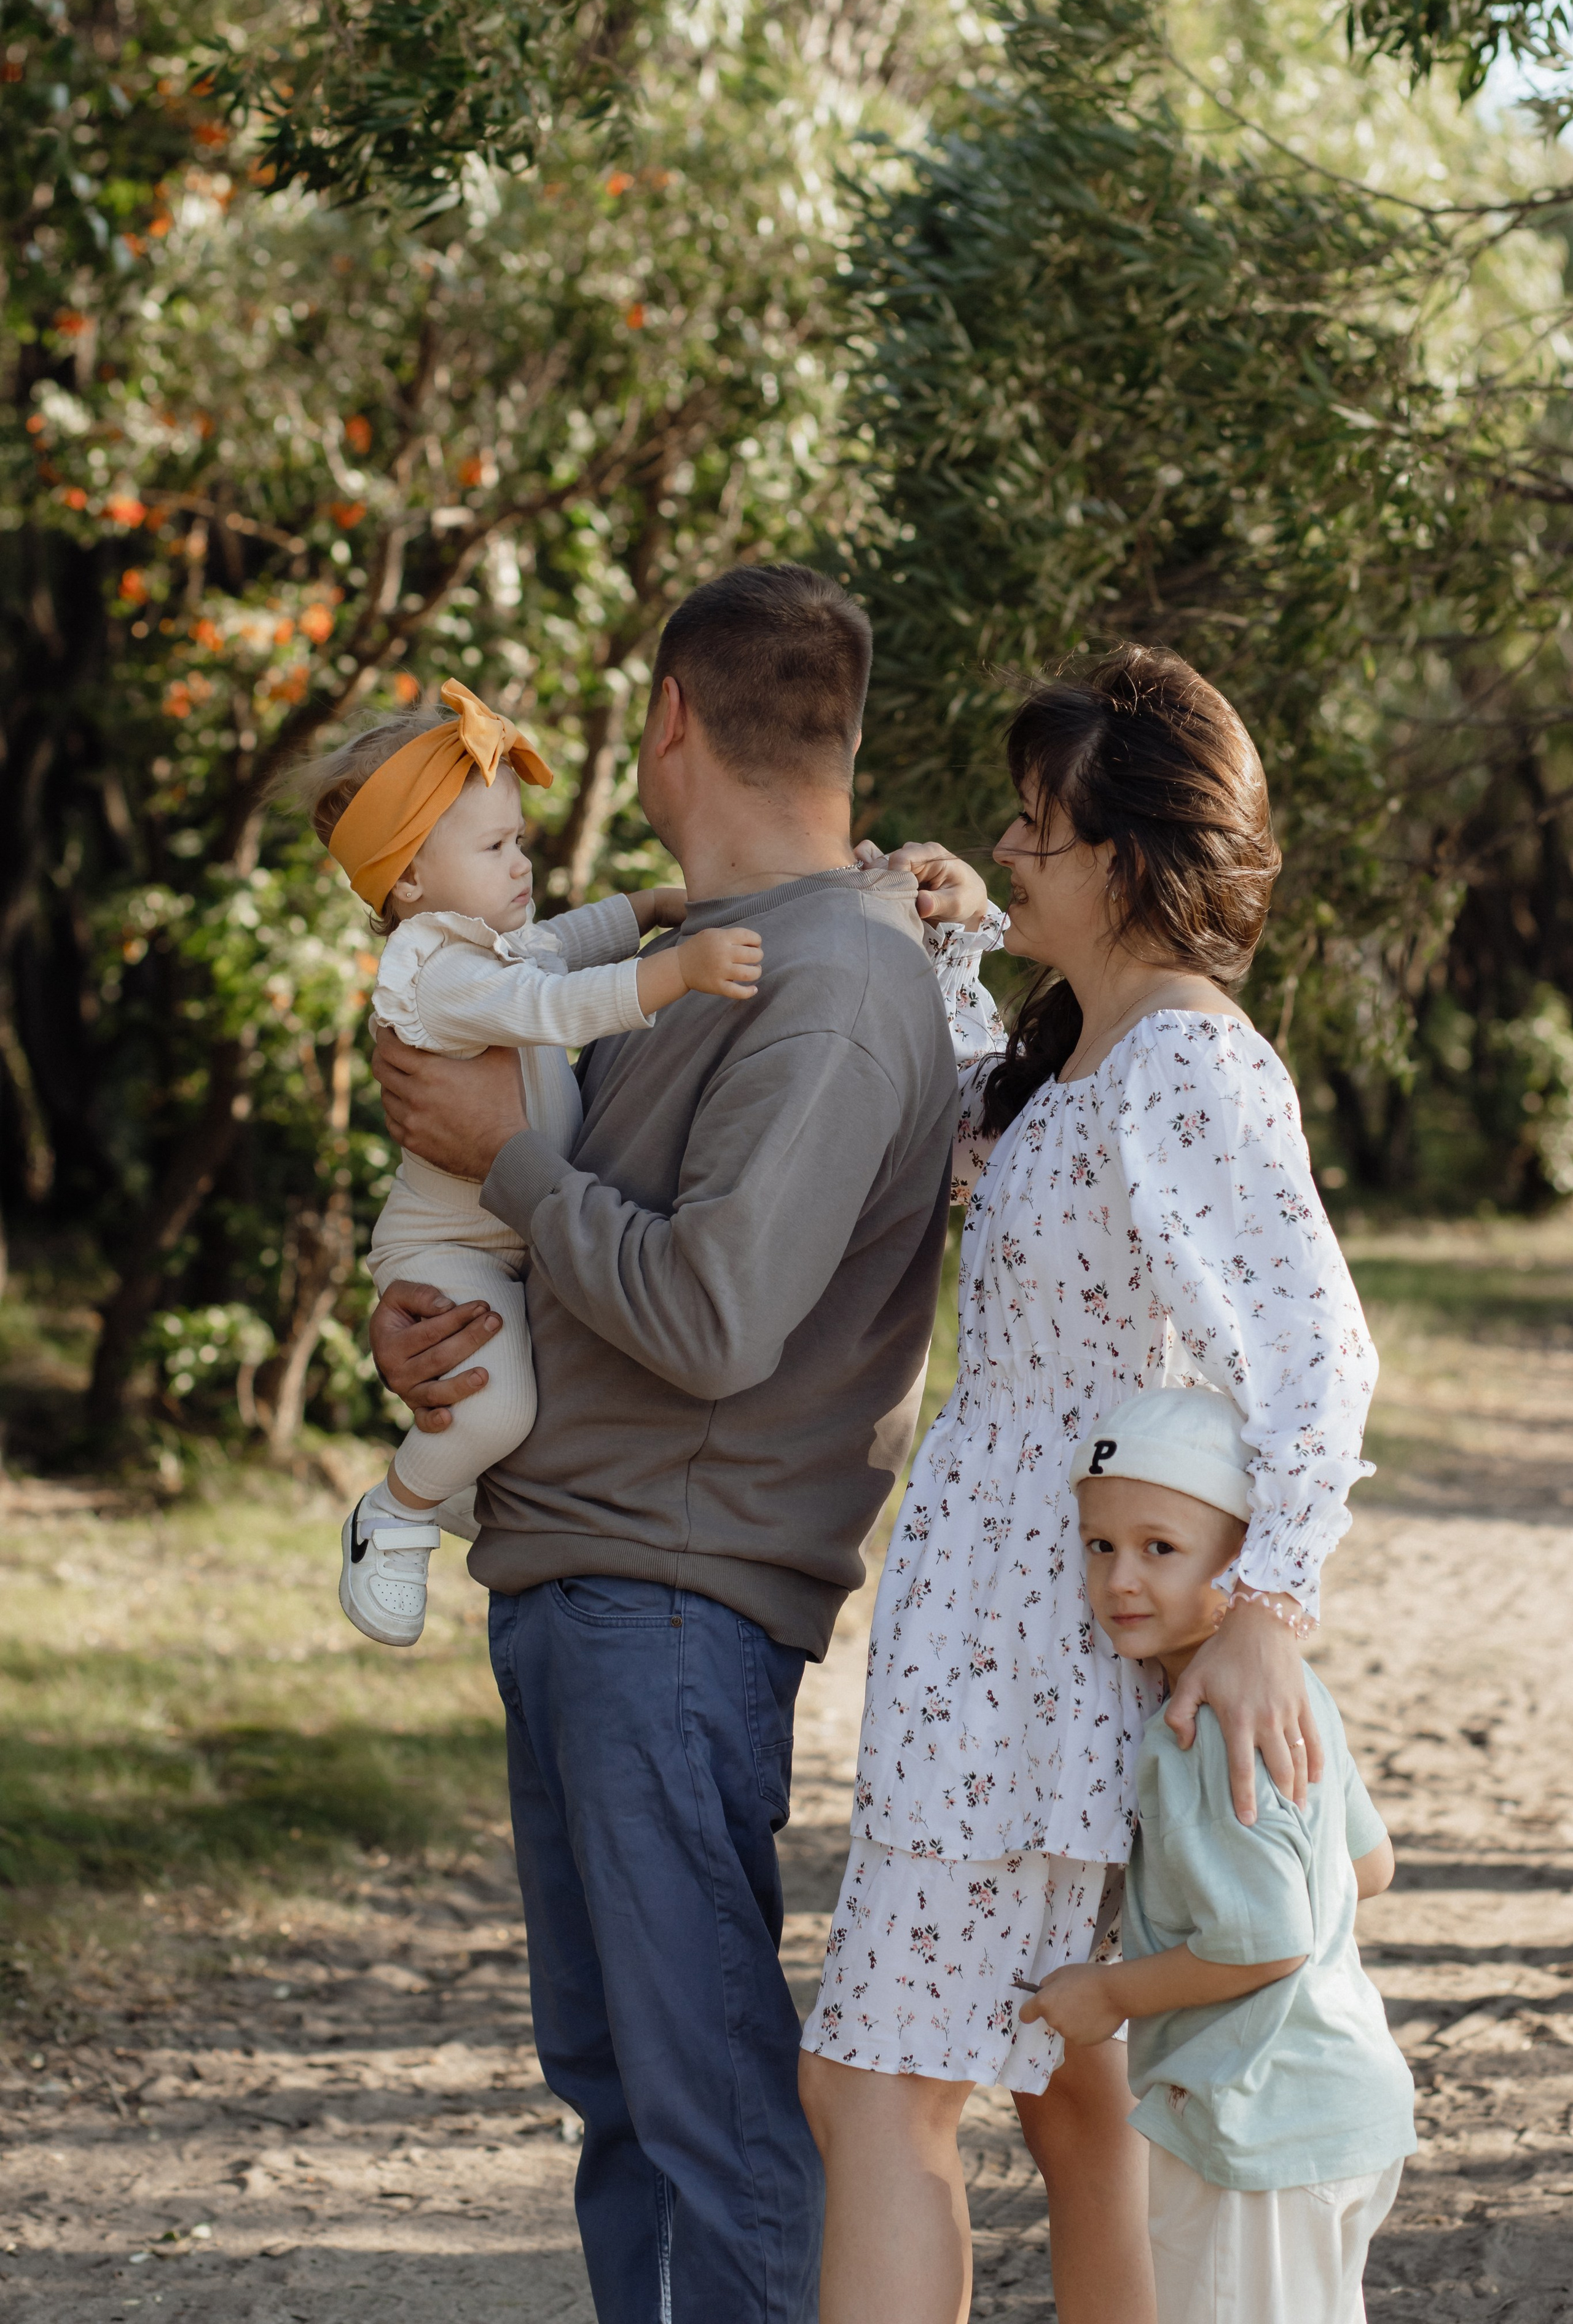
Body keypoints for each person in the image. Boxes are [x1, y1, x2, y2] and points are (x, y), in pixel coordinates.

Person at [363, 565, 962, 2324]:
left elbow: (711, 1316)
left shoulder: (838, 988)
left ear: (671, 720)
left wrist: (509, 1161)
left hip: (674, 1608)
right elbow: (587, 1245)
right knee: (623, 2099)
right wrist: (442, 1323)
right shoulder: (686, 959)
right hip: (584, 1583)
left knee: (705, 2114)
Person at [799, 647, 1379, 2324]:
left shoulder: (1190, 1063)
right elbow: (985, 1145)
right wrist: (955, 933)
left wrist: (1271, 1608)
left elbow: (1319, 1351)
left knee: (876, 2089)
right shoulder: (1100, 1061)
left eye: (1036, 826)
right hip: (1019, 1630)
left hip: (1035, 1656)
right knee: (1073, 2090)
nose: (1014, 845)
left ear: (1129, 855)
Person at [295, 676, 761, 1648]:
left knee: (523, 1393)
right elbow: (554, 1004)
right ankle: (397, 1513)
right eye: (497, 847)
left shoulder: (484, 945)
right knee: (496, 1402)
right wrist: (678, 968)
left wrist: (644, 905)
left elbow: (554, 945)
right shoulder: (446, 974)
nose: (522, 864)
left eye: (521, 842)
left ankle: (462, 1474)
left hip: (505, 1237)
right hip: (452, 1249)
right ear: (411, 882)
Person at [1019, 1381, 1414, 2324]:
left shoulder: (1197, 1731)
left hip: (1260, 2126)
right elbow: (1368, 1866)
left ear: (1244, 1561)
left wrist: (1107, 1993)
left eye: (1161, 1549)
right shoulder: (1290, 1695)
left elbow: (1266, 1940)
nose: (1121, 1579)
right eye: (1100, 1546)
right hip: (1342, 2101)